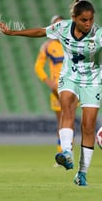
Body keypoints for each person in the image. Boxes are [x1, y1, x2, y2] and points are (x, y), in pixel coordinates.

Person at [0, 0, 102, 186]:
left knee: (88, 126)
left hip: (92, 81)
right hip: (69, 76)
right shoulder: (63, 28)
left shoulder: (99, 33)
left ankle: (82, 173)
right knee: (67, 108)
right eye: (84, 20)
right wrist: (12, 32)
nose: (88, 23)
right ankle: (67, 152)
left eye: (91, 19)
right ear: (74, 18)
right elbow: (41, 31)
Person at [34, 15, 64, 153]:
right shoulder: (47, 46)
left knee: (68, 120)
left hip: (72, 87)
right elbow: (38, 67)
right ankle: (62, 152)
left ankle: (66, 152)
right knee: (61, 122)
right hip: (56, 89)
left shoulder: (72, 43)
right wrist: (49, 82)